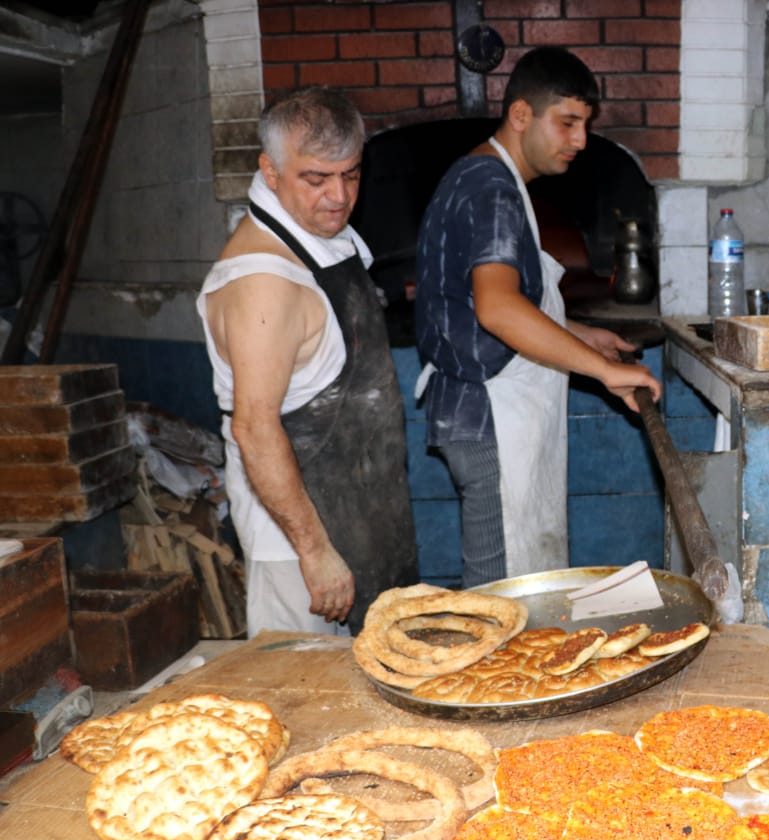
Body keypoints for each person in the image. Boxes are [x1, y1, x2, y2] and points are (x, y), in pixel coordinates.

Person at [414, 47, 661, 588]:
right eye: (567, 122)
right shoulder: (492, 188)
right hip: (490, 417)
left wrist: (582, 337)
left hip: (483, 413)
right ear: (521, 114)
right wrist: (604, 372)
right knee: (501, 600)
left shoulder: (485, 178)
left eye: (586, 126)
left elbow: (503, 300)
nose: (579, 140)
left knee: (518, 592)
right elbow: (499, 309)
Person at [196, 87, 418, 637]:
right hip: (298, 541)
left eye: (351, 175)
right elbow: (254, 426)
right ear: (269, 172)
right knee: (303, 694)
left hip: (358, 513)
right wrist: (314, 553)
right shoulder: (262, 283)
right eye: (315, 179)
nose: (338, 197)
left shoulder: (320, 239)